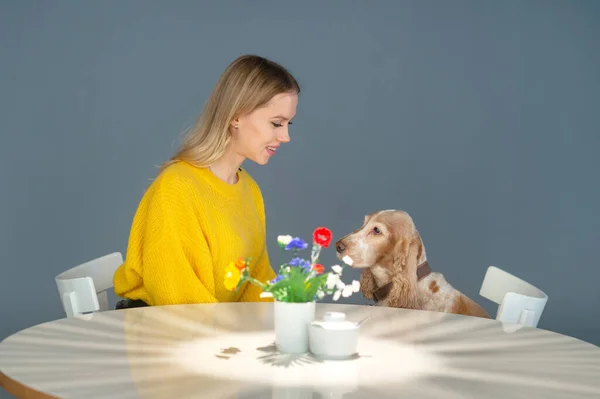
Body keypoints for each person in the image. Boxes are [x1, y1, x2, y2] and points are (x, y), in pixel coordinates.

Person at [113, 54, 300, 308]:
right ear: (236, 116)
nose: (286, 136)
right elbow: (179, 300)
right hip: (162, 333)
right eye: (276, 123)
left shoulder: (249, 190)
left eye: (289, 124)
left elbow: (254, 280)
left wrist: (287, 321)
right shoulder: (177, 188)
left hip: (214, 329)